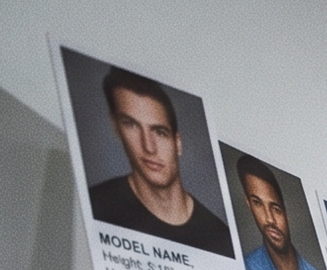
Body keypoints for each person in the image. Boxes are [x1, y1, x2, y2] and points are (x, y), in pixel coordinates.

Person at [85, 66, 233, 256]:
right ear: (116, 127)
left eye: (160, 132)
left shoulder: (221, 239)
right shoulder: (94, 206)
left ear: (178, 143)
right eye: (131, 125)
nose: (149, 147)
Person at [235, 155, 327, 270]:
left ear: (286, 214)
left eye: (276, 209)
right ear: (248, 204)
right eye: (257, 203)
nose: (269, 219)